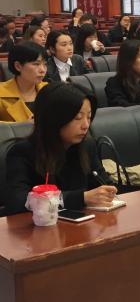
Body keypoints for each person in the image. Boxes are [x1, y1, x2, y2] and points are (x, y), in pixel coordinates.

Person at [5, 82, 117, 215]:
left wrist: (108, 191)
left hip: (85, 223)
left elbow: (102, 183)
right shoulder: (22, 153)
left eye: (89, 117)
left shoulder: (87, 146)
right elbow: (18, 201)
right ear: (54, 119)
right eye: (78, 118)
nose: (86, 125)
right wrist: (81, 198)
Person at [0, 42, 47, 122]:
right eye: (36, 64)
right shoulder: (2, 92)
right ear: (18, 66)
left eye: (45, 64)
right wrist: (22, 126)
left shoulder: (49, 90)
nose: (43, 70)